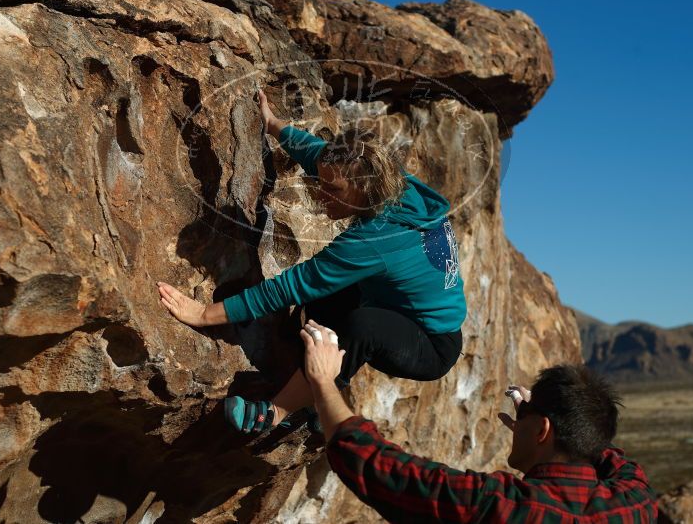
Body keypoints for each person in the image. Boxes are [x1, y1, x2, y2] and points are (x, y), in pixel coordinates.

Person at [157, 89, 467, 434]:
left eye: (332, 190)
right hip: (395, 305)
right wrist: (274, 125)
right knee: (327, 300)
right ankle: (319, 385)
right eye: (322, 183)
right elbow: (318, 155)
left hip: (431, 343)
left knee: (361, 326)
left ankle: (274, 413)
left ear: (364, 189)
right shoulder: (390, 185)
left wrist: (204, 315)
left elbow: (291, 285)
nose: (321, 194)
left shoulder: (376, 239)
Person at [300, 320, 658, 523]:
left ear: (543, 430)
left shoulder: (502, 507)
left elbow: (379, 466)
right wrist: (547, 422)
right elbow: (612, 458)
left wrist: (323, 382)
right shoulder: (633, 504)